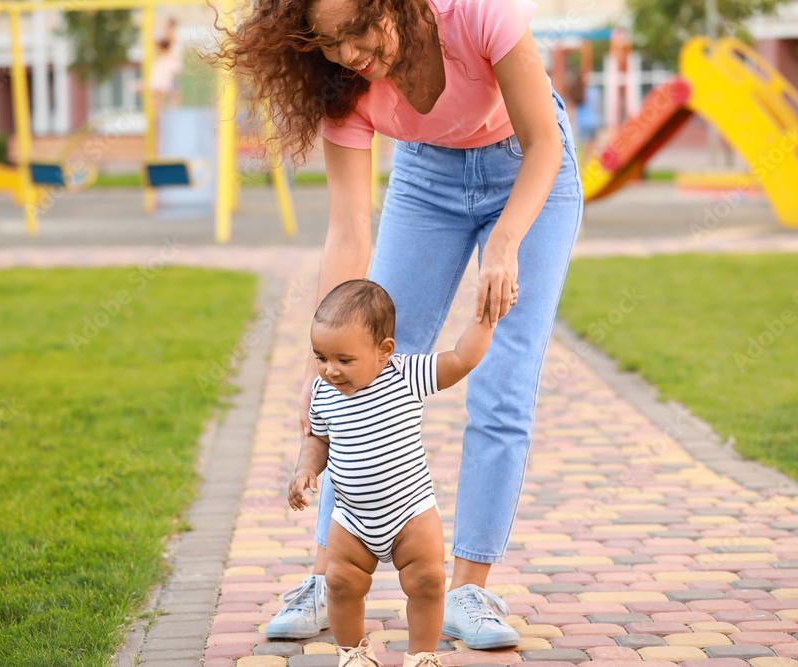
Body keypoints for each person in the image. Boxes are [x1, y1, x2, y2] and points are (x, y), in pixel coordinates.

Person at [216, 0, 584, 650]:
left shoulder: (478, 14)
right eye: (330, 44)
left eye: (357, 30)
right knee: (355, 373)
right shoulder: (343, 85)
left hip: (526, 171)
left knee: (503, 380)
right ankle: (330, 575)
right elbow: (348, 230)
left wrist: (506, 241)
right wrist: (315, 364)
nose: (350, 55)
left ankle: (467, 586)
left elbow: (545, 145)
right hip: (425, 177)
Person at [289, 279, 498, 667]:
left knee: (428, 583)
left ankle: (421, 656)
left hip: (410, 513)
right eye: (321, 357)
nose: (330, 370)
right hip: (351, 518)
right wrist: (305, 468)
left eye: (344, 359)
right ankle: (353, 653)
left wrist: (484, 319)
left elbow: (460, 359)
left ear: (384, 352)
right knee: (340, 583)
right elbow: (318, 440)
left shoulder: (406, 375)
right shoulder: (321, 393)